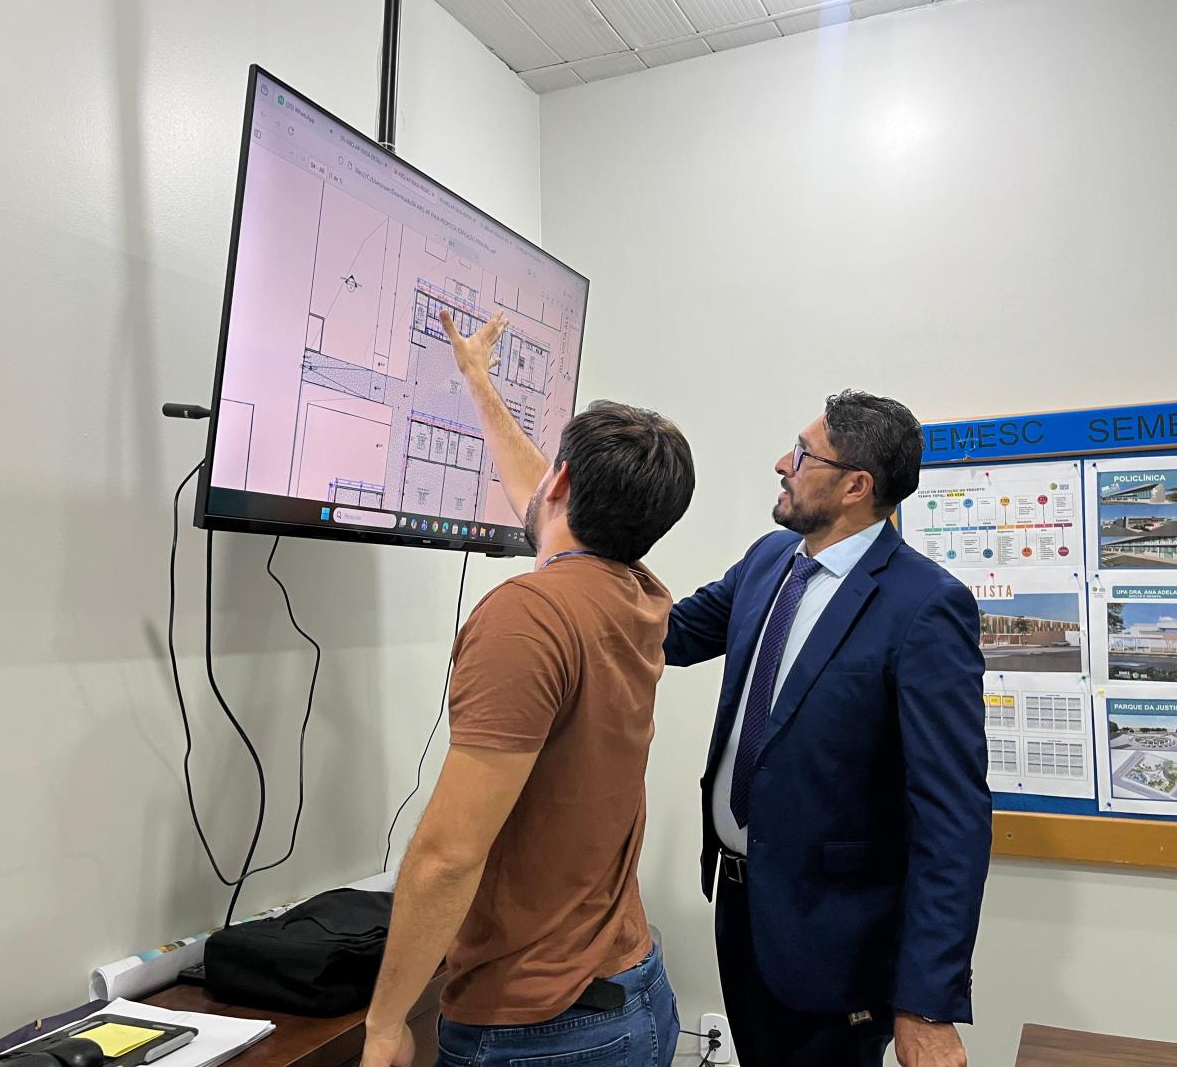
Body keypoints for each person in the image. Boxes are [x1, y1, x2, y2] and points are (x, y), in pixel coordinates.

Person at [361, 309, 693, 1067]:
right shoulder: (637, 591)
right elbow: (539, 494)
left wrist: (384, 1023)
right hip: (631, 994)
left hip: (541, 1029)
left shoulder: (529, 614)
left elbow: (448, 855)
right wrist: (478, 382)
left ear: (563, 482)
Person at [664, 390, 991, 1067]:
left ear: (856, 486)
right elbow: (668, 632)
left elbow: (953, 818)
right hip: (738, 902)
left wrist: (926, 1002)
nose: (783, 463)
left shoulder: (925, 606)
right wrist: (578, 543)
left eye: (803, 454)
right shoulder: (768, 561)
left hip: (834, 941)